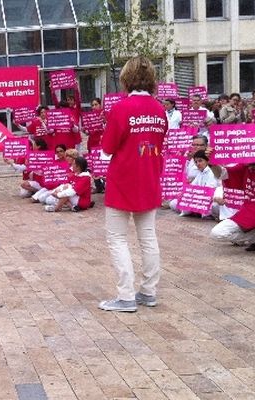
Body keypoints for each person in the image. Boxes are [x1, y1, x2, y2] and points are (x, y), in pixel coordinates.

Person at [97, 56, 168, 313]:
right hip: (149, 177)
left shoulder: (121, 108)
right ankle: (148, 292)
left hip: (123, 179)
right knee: (148, 237)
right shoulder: (160, 109)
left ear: (126, 78)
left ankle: (126, 296)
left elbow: (107, 147)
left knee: (117, 238)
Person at [210, 163, 255, 251]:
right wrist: (211, 162)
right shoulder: (244, 166)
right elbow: (222, 174)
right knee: (217, 233)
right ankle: (252, 238)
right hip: (248, 210)